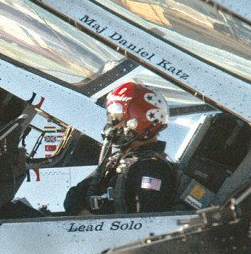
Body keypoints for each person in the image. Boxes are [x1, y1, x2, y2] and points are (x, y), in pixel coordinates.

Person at [64, 81, 179, 215]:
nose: (112, 124)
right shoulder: (116, 160)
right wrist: (89, 220)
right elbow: (72, 198)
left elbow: (148, 221)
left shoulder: (151, 169)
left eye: (117, 117)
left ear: (137, 121)